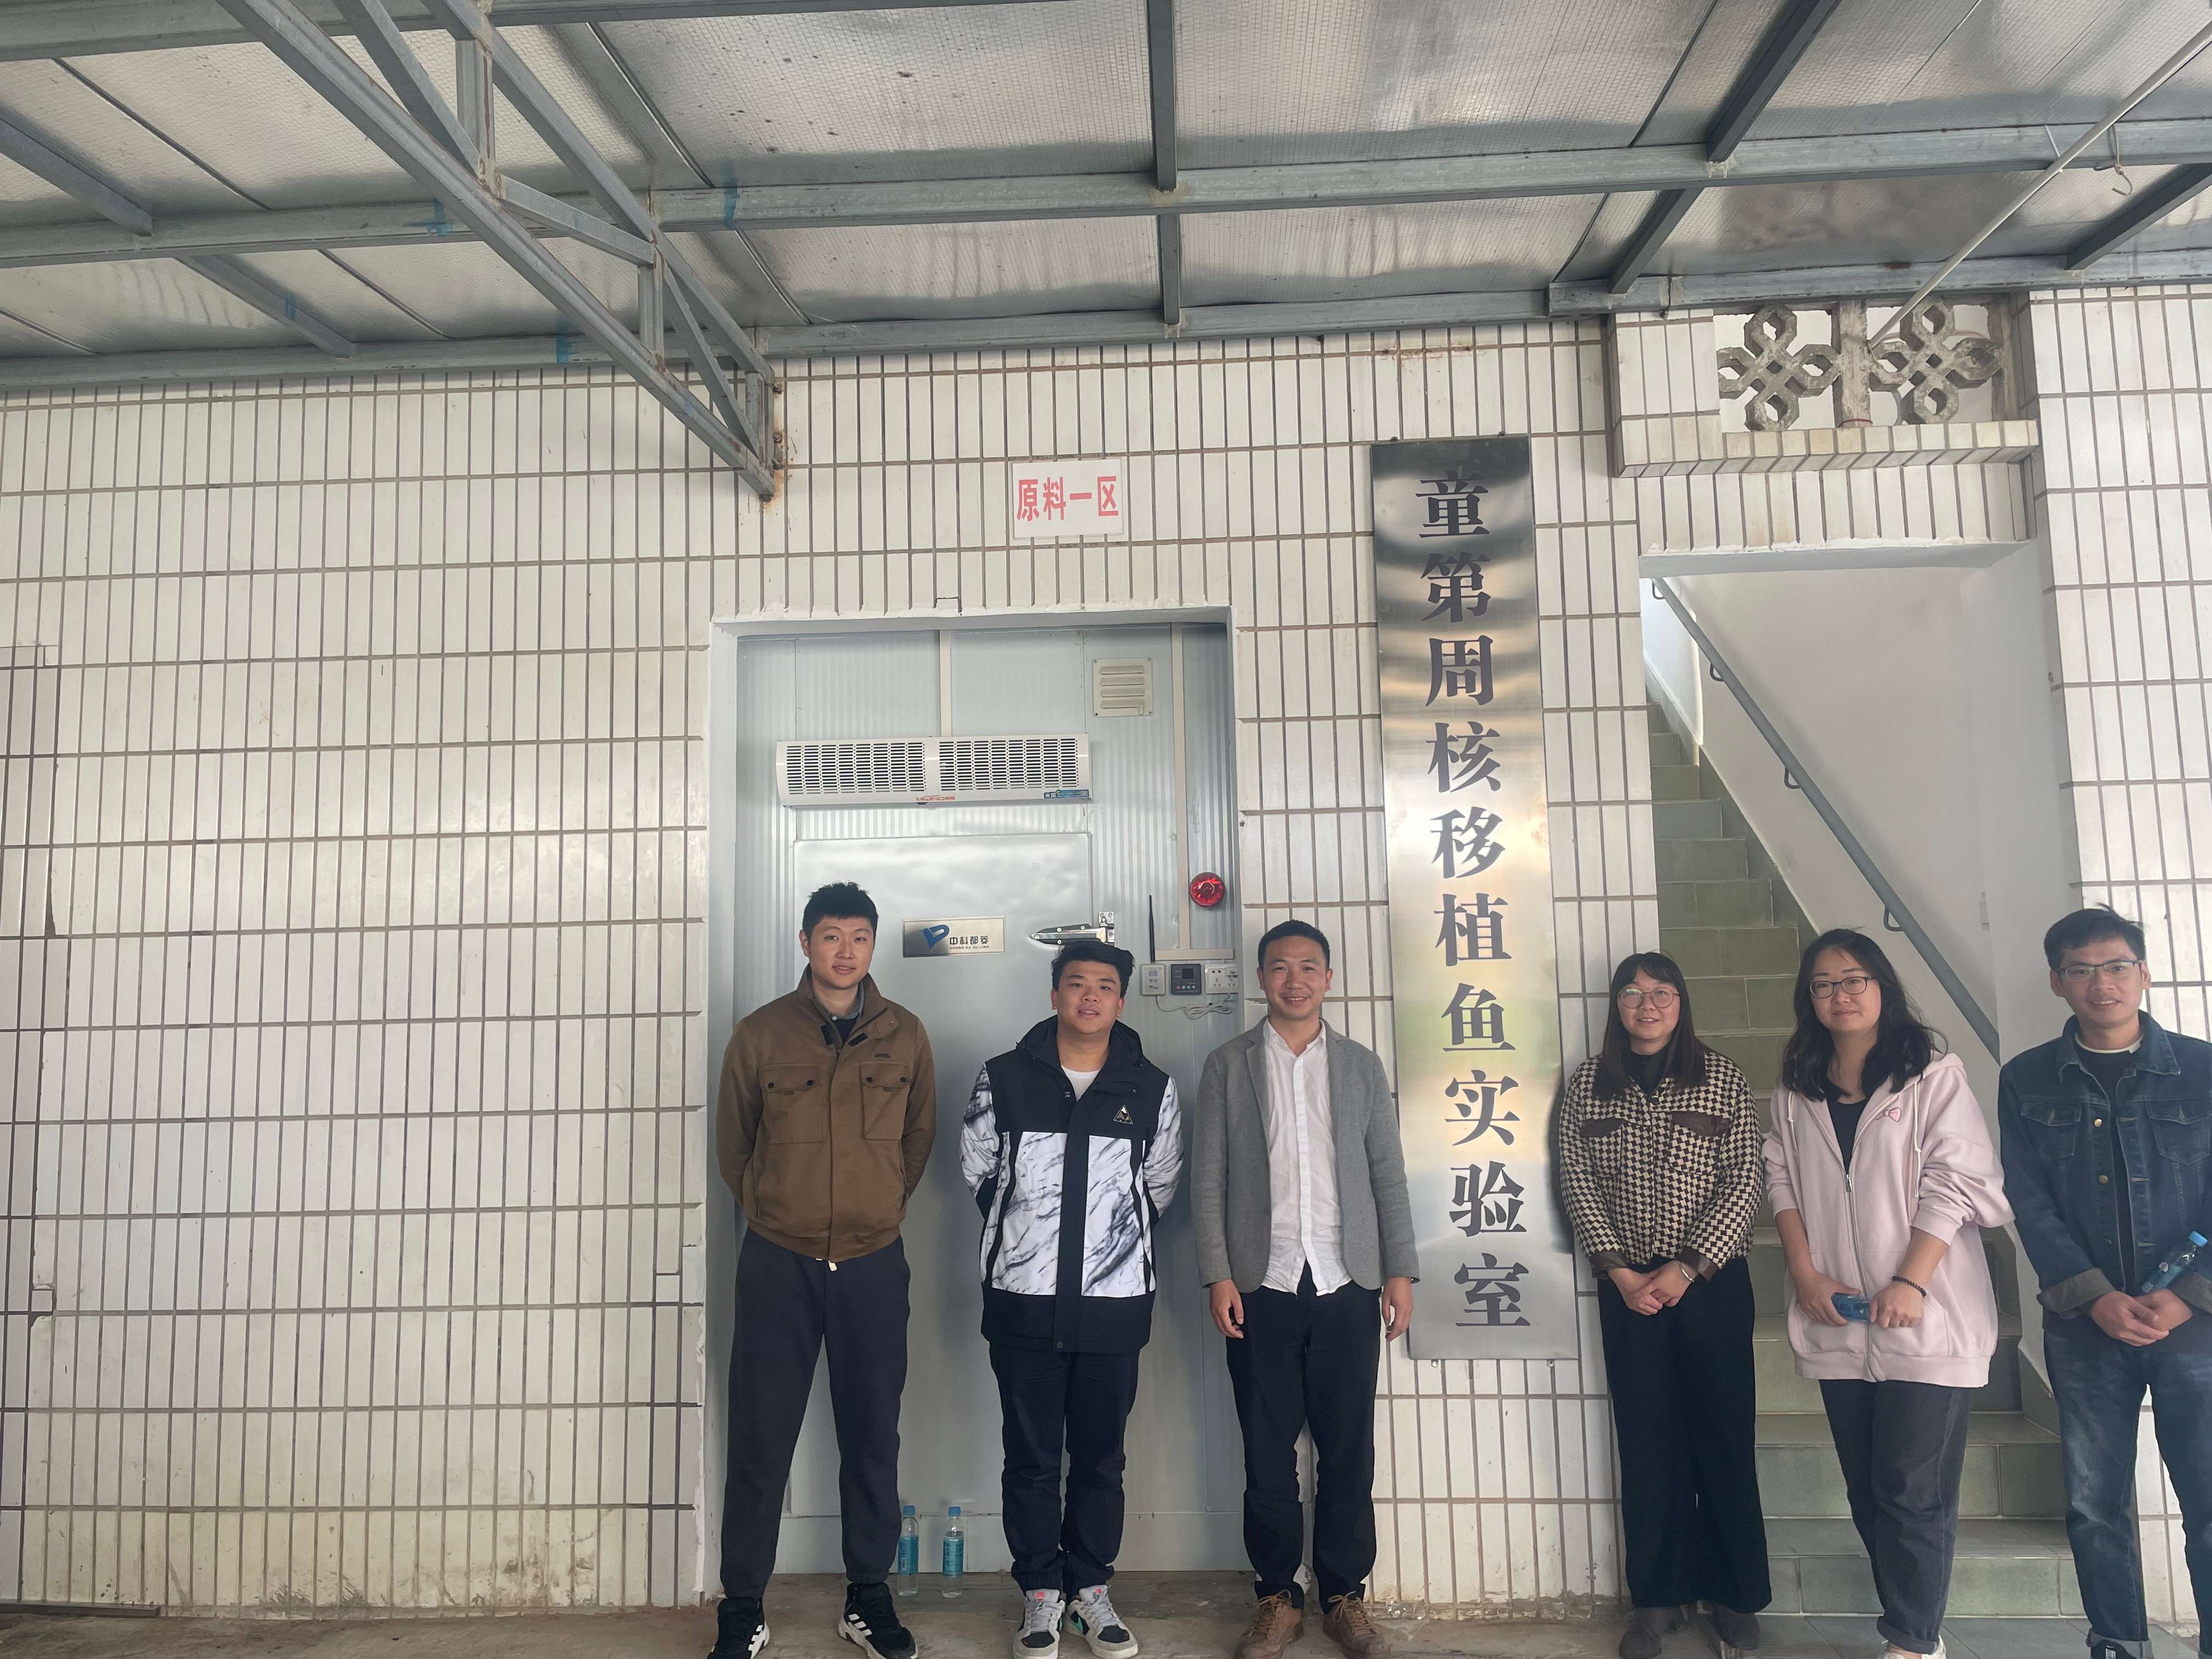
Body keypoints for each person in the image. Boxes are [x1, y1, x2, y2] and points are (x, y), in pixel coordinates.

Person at [1763, 929, 2012, 1659]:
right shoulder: (1797, 1088)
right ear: (1808, 999)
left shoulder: (1931, 1076)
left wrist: (1910, 1281)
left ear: (1882, 987)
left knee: (1910, 1487)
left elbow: (1958, 1180)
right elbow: (1780, 1179)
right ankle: (1911, 1622)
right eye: (1823, 984)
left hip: (1927, 1317)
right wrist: (1805, 1274)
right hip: (1838, 1317)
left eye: (1854, 980)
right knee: (1869, 1489)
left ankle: (1913, 1641)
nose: (1840, 995)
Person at [712, 883, 937, 1659]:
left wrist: (879, 1207)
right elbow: (735, 1146)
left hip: (873, 1263)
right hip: (779, 1261)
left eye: (860, 937)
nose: (846, 951)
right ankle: (743, 1602)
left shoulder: (906, 1034)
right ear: (806, 942)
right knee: (760, 1434)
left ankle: (868, 1595)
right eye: (832, 936)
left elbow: (916, 1140)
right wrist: (777, 1210)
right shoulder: (761, 1034)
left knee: (872, 1435)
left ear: (873, 946)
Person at [1190, 920, 1417, 1659]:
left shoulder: (1358, 1065)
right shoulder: (1229, 1065)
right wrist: (1219, 1273)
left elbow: (1387, 1173)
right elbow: (1208, 1178)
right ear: (1262, 978)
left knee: (1348, 1447)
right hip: (1261, 1282)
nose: (1295, 980)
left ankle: (1343, 1595)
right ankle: (1276, 1597)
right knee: (1267, 1451)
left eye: (1309, 967)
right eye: (1281, 967)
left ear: (1328, 979)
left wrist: (1399, 1268)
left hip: (1348, 1280)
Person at [1997, 906, 2212, 1659]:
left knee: (2209, 1500)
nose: (2102, 983)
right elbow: (2029, 1202)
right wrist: (2095, 1295)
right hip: (2085, 1327)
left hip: (2197, 1325)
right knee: (2095, 1507)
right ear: (2057, 982)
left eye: (2117, 966)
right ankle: (2118, 1645)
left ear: (2144, 973)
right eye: (2082, 970)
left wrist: (2189, 1294)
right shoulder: (2027, 1079)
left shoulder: (2204, 1069)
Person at [960, 940, 1182, 1659]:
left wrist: (1103, 1251)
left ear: (1122, 1001)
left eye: (1105, 986)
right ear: (1055, 994)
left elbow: (1160, 1185)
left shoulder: (1151, 1087)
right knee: (1029, 1457)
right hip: (1022, 1301)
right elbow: (980, 1171)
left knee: (1100, 1457)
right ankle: (1039, 1593)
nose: (1090, 997)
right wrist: (1031, 1237)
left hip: (1114, 1305)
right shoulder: (1003, 1078)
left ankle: (1089, 1587)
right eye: (1077, 983)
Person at [1555, 952, 1769, 1659]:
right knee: (1647, 1443)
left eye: (1662, 993)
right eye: (1633, 993)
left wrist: (1686, 1267)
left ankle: (1734, 1593)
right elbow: (1575, 1179)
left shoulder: (1722, 1077)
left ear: (1682, 1003)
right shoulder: (1589, 1083)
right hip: (1627, 1290)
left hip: (1710, 1284)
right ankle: (1657, 1596)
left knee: (1724, 1437)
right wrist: (1620, 1273)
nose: (1647, 1006)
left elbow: (1744, 1179)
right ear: (1616, 1005)